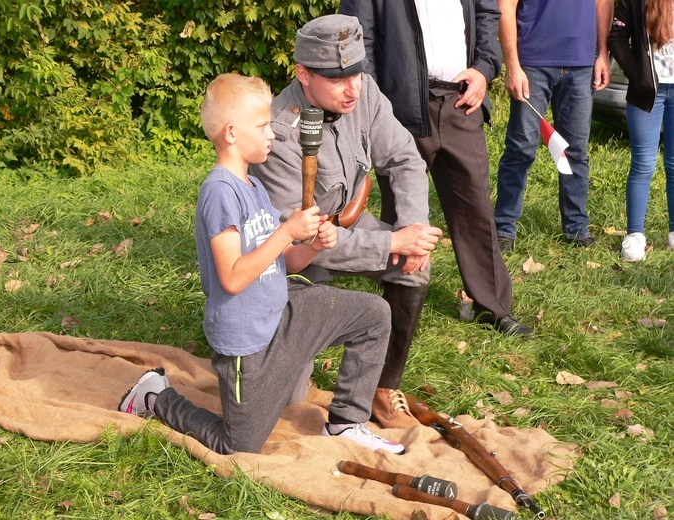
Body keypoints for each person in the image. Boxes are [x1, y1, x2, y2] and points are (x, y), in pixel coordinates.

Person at [118, 73, 405, 456]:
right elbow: (233, 278)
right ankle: (154, 396)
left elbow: (284, 262)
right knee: (238, 445)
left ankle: (344, 424)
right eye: (263, 125)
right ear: (232, 133)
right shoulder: (220, 192)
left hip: (282, 314)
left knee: (373, 314)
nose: (272, 133)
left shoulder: (254, 186)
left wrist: (313, 246)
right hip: (246, 343)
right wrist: (288, 231)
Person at [250, 14, 443, 429]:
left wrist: (412, 229)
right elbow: (298, 241)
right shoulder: (280, 132)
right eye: (338, 78)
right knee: (287, 399)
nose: (353, 87)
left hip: (348, 225)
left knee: (414, 272)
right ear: (303, 74)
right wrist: (392, 243)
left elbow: (406, 160)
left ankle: (380, 388)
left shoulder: (365, 92)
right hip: (296, 252)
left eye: (357, 72)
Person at [339, 0, 533, 338]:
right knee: (401, 211)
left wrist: (484, 68)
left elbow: (488, 14)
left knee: (475, 208)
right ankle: (397, 305)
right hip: (400, 107)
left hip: (462, 102)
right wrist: (373, 107)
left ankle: (493, 308)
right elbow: (359, 39)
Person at [493, 0, 613, 250]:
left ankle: (576, 227)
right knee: (521, 148)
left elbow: (603, 2)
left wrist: (603, 53)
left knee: (575, 152)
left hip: (581, 62)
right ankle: (503, 226)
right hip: (533, 61)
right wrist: (513, 65)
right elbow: (506, 5)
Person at [608, 0, 674, 261]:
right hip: (647, 91)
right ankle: (635, 235)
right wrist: (636, 75)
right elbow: (616, 36)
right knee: (643, 163)